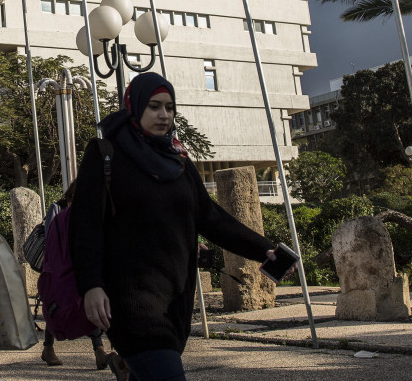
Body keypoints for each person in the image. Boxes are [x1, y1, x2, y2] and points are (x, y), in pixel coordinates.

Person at [70, 72, 280, 381]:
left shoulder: (179, 161)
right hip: (129, 299)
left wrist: (264, 249)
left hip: (175, 298)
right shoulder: (105, 155)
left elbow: (211, 218)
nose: (163, 115)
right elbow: (84, 226)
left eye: (170, 107)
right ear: (135, 106)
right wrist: (91, 285)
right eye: (154, 106)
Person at [39, 181, 111, 369]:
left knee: (78, 307)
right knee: (61, 308)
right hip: (60, 267)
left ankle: (99, 351)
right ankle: (49, 348)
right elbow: (52, 240)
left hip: (70, 267)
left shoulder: (81, 214)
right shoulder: (60, 211)